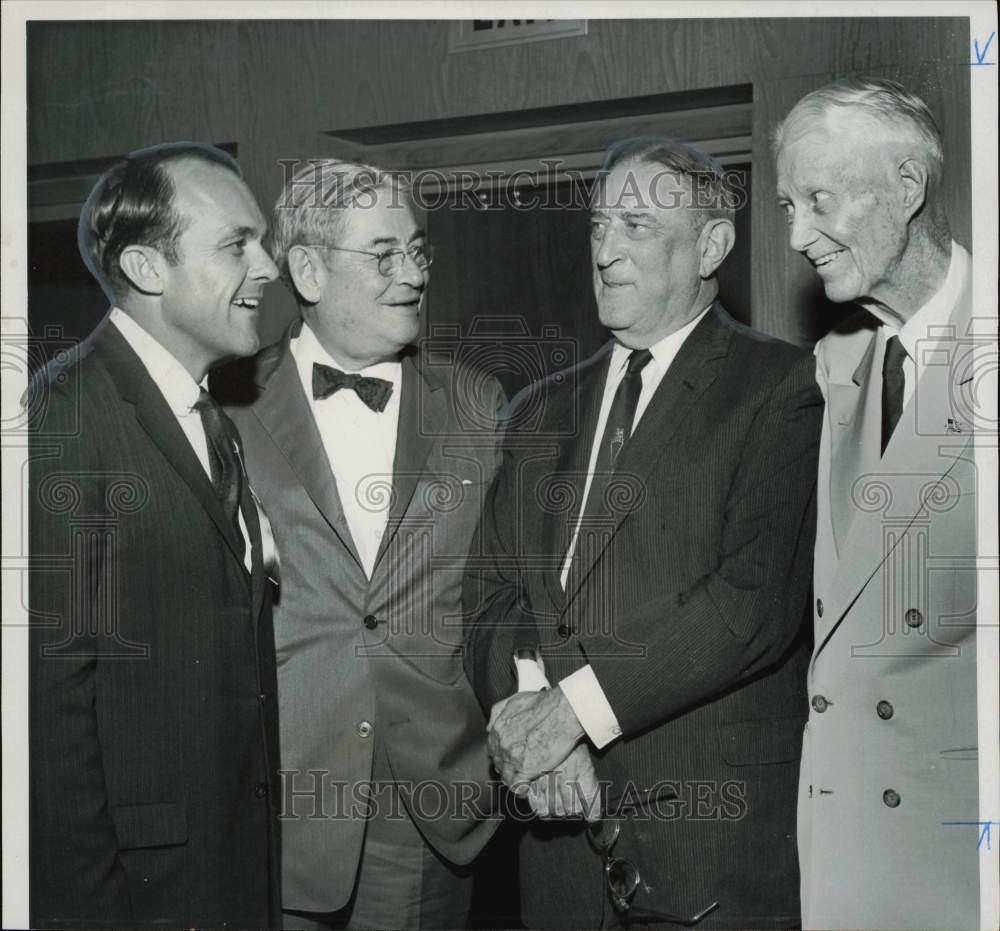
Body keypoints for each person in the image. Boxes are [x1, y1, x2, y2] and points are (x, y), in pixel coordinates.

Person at [464, 137, 823, 929]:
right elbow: (489, 593)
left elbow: (750, 606)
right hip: (557, 846)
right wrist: (537, 726)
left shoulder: (783, 388)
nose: (605, 249)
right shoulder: (539, 407)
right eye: (597, 226)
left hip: (708, 851)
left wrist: (571, 714)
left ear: (712, 246)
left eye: (634, 224)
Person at [218, 158, 505, 930]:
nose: (412, 274)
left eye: (418, 250)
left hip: (430, 801)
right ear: (306, 270)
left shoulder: (479, 405)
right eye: (383, 255)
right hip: (280, 797)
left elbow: (508, 594)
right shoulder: (225, 407)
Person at [27, 142, 282, 928]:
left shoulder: (211, 420)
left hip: (224, 874)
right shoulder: (65, 413)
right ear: (146, 268)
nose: (269, 266)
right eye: (238, 243)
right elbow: (48, 709)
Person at [775, 76, 981, 930]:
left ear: (907, 187)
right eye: (788, 205)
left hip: (954, 860)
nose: (795, 235)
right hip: (843, 847)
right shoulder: (841, 364)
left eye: (818, 199)